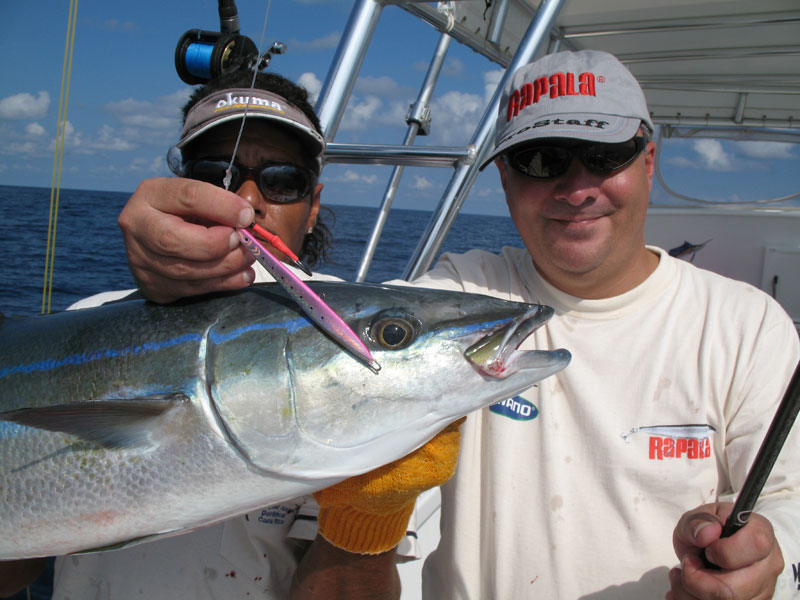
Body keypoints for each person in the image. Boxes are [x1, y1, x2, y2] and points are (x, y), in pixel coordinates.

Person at [72, 49, 800, 599]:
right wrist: (164, 274)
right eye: (543, 159)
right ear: (505, 177)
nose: (576, 187)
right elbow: (311, 325)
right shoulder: (459, 290)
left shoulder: (745, 327)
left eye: (604, 155)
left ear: (649, 158)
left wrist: (763, 559)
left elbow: (789, 510)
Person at [0, 68, 459, 600]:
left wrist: (368, 520)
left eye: (282, 181)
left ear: (312, 206)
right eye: (217, 174)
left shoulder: (378, 369)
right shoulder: (91, 319)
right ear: (181, 187)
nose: (246, 201)